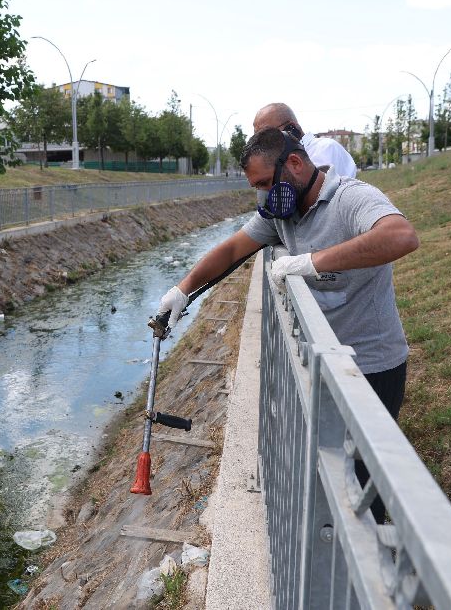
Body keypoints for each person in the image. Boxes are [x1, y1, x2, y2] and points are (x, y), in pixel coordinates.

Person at [156, 128, 418, 523]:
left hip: (371, 367)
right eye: (255, 187)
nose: (262, 194)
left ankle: (376, 571)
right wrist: (183, 289)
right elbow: (231, 249)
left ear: (294, 163)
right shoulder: (283, 212)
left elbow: (401, 237)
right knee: (328, 476)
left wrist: (312, 261)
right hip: (320, 361)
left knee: (366, 489)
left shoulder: (351, 198)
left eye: (264, 182)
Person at [253, 102, 357, 178]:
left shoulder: (324, 148)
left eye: (267, 136)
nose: (264, 145)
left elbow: (316, 194)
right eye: (259, 140)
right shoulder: (284, 159)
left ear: (291, 128)